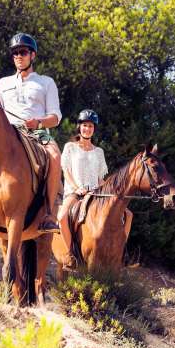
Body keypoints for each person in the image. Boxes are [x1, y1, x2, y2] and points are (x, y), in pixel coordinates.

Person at [0, 32, 62, 232]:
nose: (18, 56)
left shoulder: (46, 82)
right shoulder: (3, 83)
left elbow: (56, 117)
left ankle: (49, 213)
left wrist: (39, 122)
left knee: (55, 156)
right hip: (7, 133)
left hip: (36, 133)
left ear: (33, 55)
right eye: (15, 53)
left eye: (23, 52)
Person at [58, 109, 108, 267]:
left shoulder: (99, 152)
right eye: (85, 125)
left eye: (91, 126)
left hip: (94, 194)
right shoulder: (70, 147)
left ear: (94, 129)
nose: (88, 129)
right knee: (61, 217)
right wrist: (76, 187)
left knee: (126, 214)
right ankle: (71, 254)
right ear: (79, 127)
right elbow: (65, 171)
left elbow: (100, 179)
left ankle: (121, 255)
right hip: (75, 193)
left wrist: (108, 192)